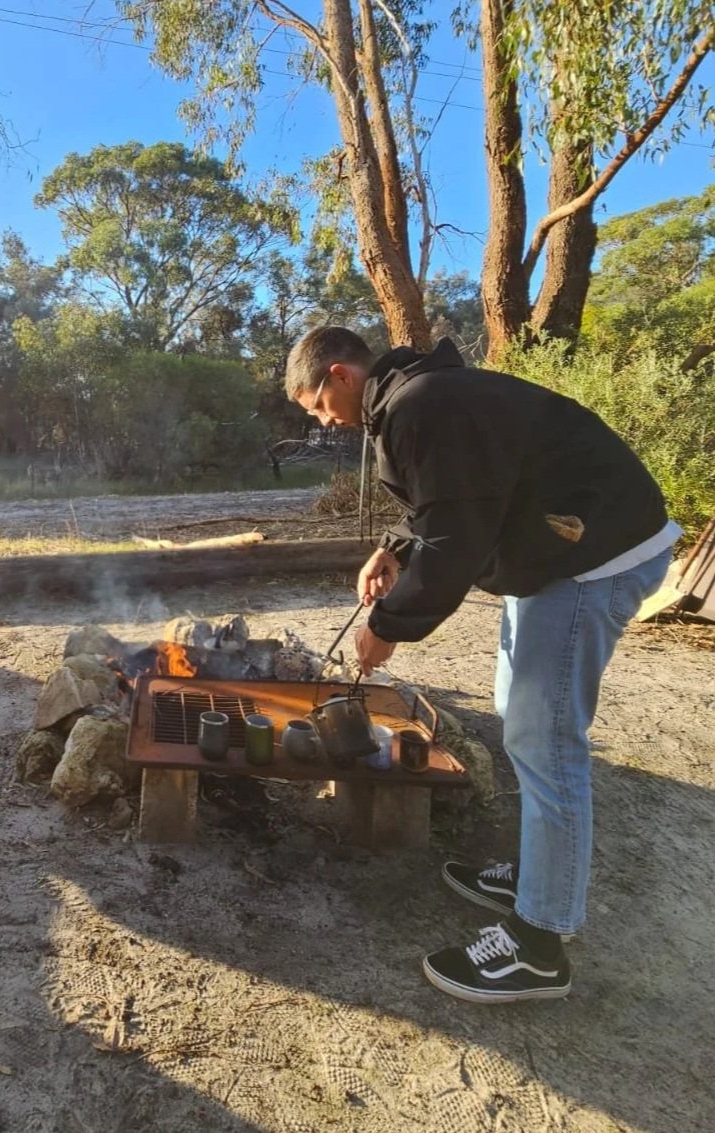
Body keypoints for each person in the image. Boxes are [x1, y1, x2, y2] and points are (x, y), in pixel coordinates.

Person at [285, 326, 680, 1004]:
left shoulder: (422, 404)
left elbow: (454, 541)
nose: (325, 422)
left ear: (341, 376)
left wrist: (387, 627)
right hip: (555, 549)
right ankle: (541, 875)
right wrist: (392, 549)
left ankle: (539, 944)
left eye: (319, 405)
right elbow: (451, 497)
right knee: (518, 713)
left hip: (593, 556)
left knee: (545, 738)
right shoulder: (418, 398)